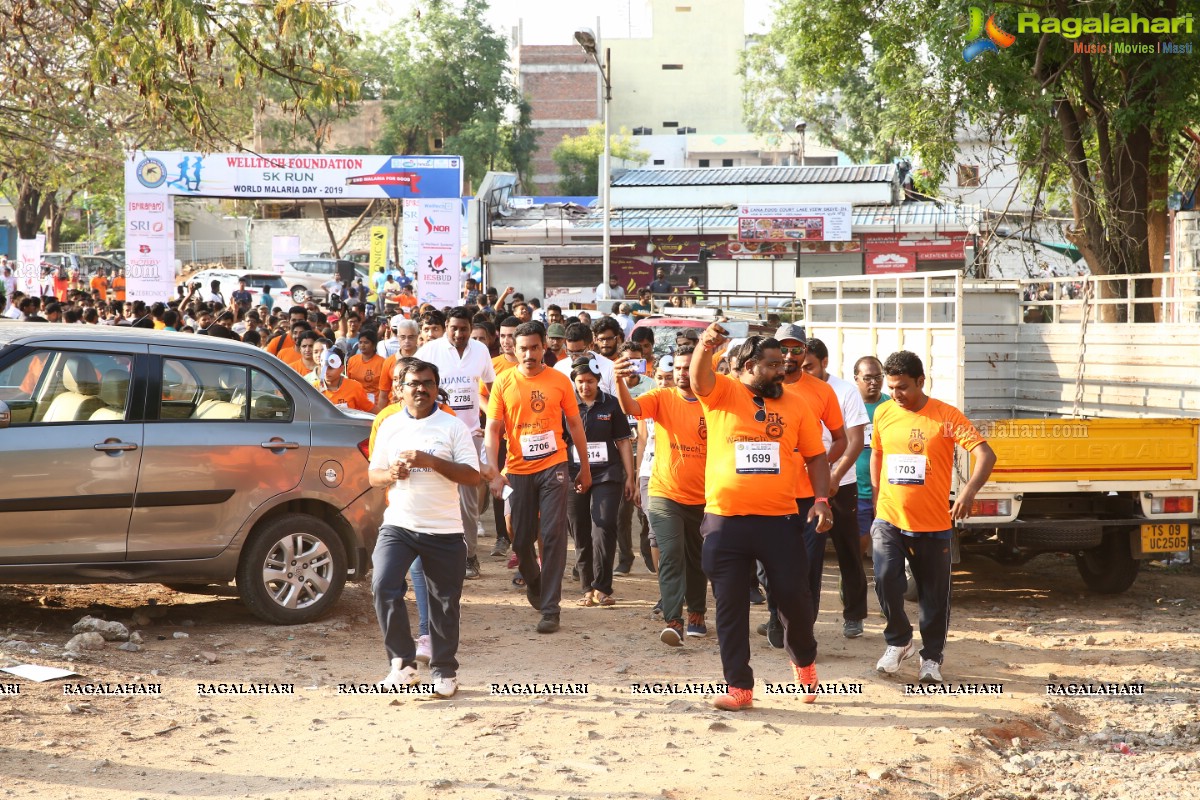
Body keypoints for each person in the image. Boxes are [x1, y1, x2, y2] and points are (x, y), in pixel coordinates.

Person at [690, 328, 832, 710]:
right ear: (749, 366)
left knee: (793, 598)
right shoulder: (724, 392)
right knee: (730, 604)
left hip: (780, 521)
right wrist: (707, 344)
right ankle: (739, 687)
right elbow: (697, 378)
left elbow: (816, 456)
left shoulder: (797, 404)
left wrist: (821, 499)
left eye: (783, 364)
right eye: (772, 365)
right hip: (725, 521)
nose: (781, 370)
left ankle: (803, 661)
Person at [871, 350, 996, 684]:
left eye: (903, 388)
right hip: (890, 517)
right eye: (892, 386)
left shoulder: (946, 415)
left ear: (921, 382)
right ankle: (898, 641)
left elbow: (985, 454)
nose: (896, 394)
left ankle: (930, 659)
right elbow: (878, 454)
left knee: (933, 598)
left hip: (933, 524)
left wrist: (968, 492)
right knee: (884, 578)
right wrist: (876, 490)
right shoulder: (883, 412)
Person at [368, 358, 480, 697]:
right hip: (399, 525)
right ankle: (402, 666)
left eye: (427, 383)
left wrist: (430, 461)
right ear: (399, 389)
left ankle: (445, 672)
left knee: (445, 603)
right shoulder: (388, 425)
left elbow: (473, 477)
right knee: (384, 585)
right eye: (413, 383)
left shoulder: (452, 427)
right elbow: (374, 476)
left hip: (443, 529)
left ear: (436, 388)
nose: (420, 389)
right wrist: (392, 475)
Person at [483, 322, 592, 634]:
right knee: (520, 537)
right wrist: (493, 470)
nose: (528, 354)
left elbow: (575, 425)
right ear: (513, 350)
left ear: (544, 346)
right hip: (517, 469)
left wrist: (583, 467)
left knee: (554, 533)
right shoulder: (503, 382)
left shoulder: (559, 381)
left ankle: (550, 608)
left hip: (554, 465)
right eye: (523, 348)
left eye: (534, 347)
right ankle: (534, 580)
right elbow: (493, 430)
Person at [616, 344, 710, 646]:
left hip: (704, 497)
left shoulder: (715, 402)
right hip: (663, 492)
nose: (683, 374)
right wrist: (618, 380)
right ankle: (674, 620)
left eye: (688, 368)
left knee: (697, 558)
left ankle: (697, 612)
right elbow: (630, 408)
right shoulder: (661, 398)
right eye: (678, 369)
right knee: (670, 554)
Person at [416, 306, 496, 580]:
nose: (459, 334)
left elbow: (491, 388)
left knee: (468, 500)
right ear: (446, 327)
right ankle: (433, 555)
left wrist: (488, 424)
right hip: (436, 434)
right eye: (454, 328)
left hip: (470, 435)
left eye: (464, 329)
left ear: (471, 328)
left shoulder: (481, 351)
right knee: (432, 494)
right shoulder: (429, 352)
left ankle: (469, 556)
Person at [801, 337, 870, 638]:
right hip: (803, 486)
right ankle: (800, 621)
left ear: (824, 362)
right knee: (806, 555)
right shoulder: (792, 389)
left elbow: (854, 442)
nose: (804, 371)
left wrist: (832, 476)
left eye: (810, 366)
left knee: (848, 550)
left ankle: (854, 614)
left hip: (840, 484)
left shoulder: (844, 392)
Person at [565, 356, 635, 607]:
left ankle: (602, 588)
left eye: (590, 381)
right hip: (574, 475)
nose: (585, 386)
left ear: (598, 381)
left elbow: (624, 441)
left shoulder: (612, 404)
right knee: (580, 529)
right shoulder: (566, 406)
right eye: (580, 382)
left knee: (604, 524)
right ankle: (587, 588)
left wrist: (631, 476)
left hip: (608, 473)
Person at [853, 356, 889, 555]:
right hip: (857, 490)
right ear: (856, 378)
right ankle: (850, 583)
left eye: (878, 377)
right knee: (858, 545)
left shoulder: (891, 406)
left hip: (886, 491)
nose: (874, 382)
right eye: (868, 378)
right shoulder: (847, 405)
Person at [555, 322, 617, 394]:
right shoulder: (559, 368)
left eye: (579, 352)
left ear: (591, 346)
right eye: (570, 352)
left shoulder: (610, 368)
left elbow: (618, 402)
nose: (574, 357)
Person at [313, 347, 374, 412]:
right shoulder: (313, 388)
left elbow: (370, 409)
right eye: (323, 366)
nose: (326, 371)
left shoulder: (354, 387)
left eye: (331, 368)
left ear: (342, 368)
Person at [347, 330, 386, 411]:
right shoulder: (352, 360)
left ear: (374, 345)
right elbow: (349, 381)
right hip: (355, 403)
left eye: (366, 342)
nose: (362, 345)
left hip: (374, 404)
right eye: (360, 342)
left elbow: (385, 387)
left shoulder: (382, 362)